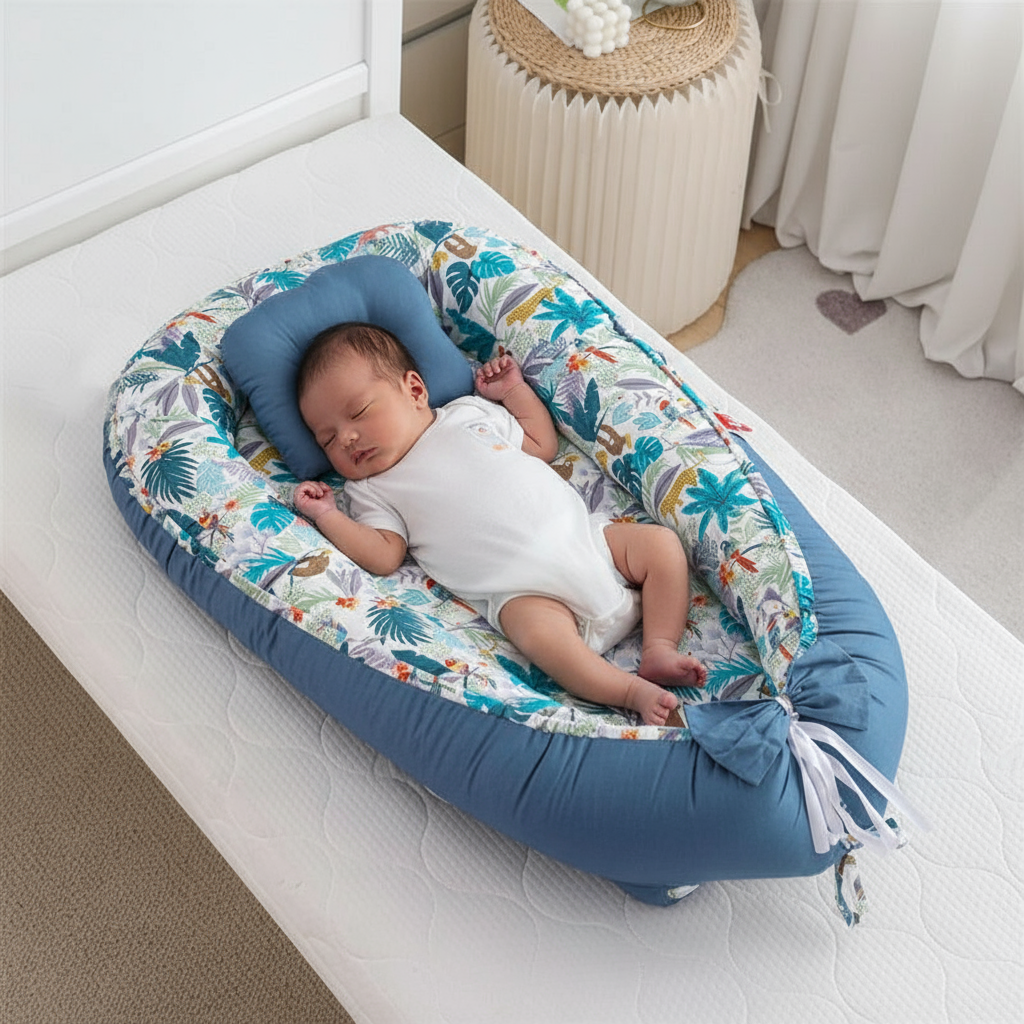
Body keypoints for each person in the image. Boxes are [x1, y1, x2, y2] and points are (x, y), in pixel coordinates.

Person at [293, 322, 706, 726]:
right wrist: (328, 516)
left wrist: (513, 391)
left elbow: (540, 444)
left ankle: (659, 646)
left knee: (661, 545)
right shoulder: (372, 488)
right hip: (523, 592)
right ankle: (630, 691)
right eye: (327, 439)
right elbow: (384, 555)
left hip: (589, 541)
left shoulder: (468, 413)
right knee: (542, 640)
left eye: (358, 413)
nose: (345, 438)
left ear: (415, 390)